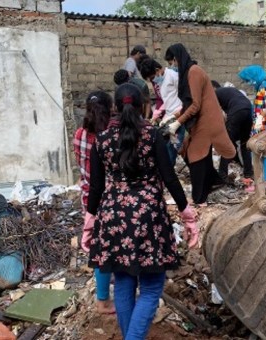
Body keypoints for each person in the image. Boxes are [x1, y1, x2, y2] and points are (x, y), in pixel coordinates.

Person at [83, 83, 198, 339]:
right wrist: (187, 215)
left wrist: (90, 223)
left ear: (115, 107)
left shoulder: (101, 140)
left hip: (113, 216)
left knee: (123, 283)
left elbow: (96, 187)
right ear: (144, 106)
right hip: (148, 217)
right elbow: (170, 178)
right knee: (151, 287)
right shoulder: (153, 135)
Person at [163, 43, 236, 205]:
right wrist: (173, 117)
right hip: (202, 120)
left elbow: (195, 105)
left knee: (195, 156)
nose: (173, 67)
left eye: (172, 62)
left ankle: (199, 197)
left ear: (177, 58)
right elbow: (189, 104)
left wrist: (177, 124)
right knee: (197, 155)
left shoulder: (193, 72)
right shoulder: (190, 71)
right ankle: (214, 181)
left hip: (207, 122)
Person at [73, 91, 115, 314]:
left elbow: (83, 166)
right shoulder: (108, 136)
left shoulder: (79, 133)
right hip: (108, 199)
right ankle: (103, 299)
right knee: (108, 248)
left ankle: (104, 293)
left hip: (88, 199)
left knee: (99, 246)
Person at [139, 57, 185, 166]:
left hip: (179, 117)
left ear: (157, 69)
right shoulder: (158, 82)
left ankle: (168, 173)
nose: (152, 80)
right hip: (168, 117)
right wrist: (157, 114)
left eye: (152, 77)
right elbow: (163, 99)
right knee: (164, 146)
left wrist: (179, 114)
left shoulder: (173, 76)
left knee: (172, 147)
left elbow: (184, 96)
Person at [212, 82, 254, 191]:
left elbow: (216, 116)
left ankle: (222, 176)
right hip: (248, 109)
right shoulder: (228, 93)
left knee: (227, 144)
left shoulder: (214, 95)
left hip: (238, 111)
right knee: (245, 144)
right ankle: (249, 174)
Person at [238, 65, 266, 183]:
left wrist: (257, 127)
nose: (249, 83)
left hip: (264, 127)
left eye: (248, 80)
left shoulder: (262, 90)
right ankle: (264, 179)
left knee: (261, 153)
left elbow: (264, 110)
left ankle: (263, 179)